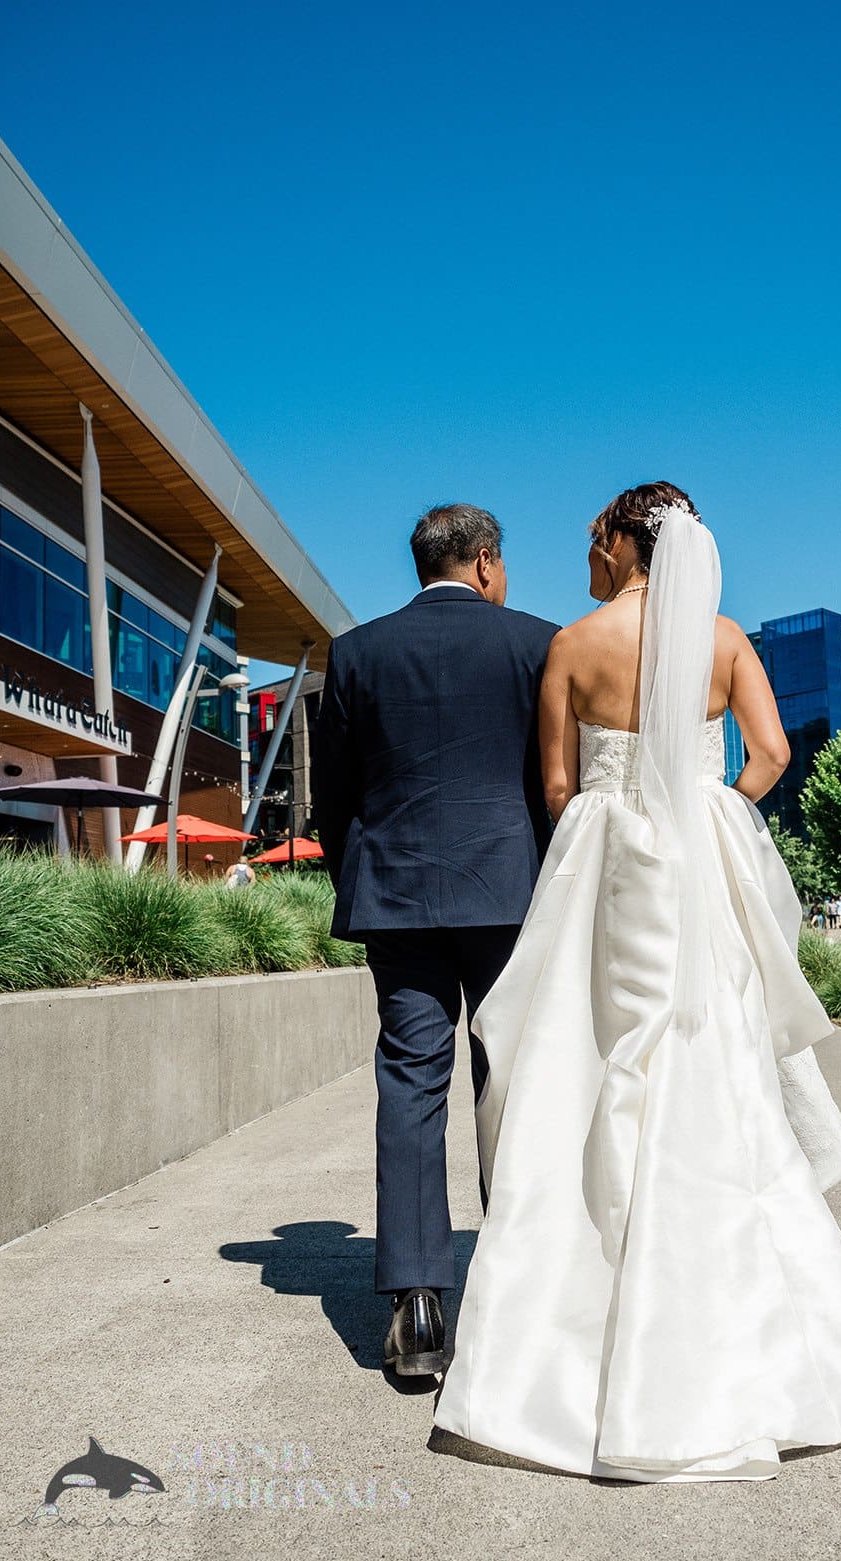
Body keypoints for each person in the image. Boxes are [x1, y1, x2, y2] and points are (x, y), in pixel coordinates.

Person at [433, 482, 841, 1481]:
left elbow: (558, 788)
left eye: (596, 539)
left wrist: (617, 819)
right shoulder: (725, 640)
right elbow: (774, 755)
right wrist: (708, 811)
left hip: (608, 868)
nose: (588, 555)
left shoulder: (572, 646)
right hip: (696, 871)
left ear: (627, 543)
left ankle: (579, 1314)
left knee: (587, 1063)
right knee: (716, 1063)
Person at [312, 504, 558, 1376]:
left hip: (399, 895)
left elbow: (332, 797)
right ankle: (521, 1283)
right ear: (486, 561)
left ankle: (417, 1307)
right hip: (510, 895)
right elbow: (554, 782)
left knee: (412, 1080)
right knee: (513, 1079)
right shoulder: (537, 644)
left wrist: (363, 875)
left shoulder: (357, 652)